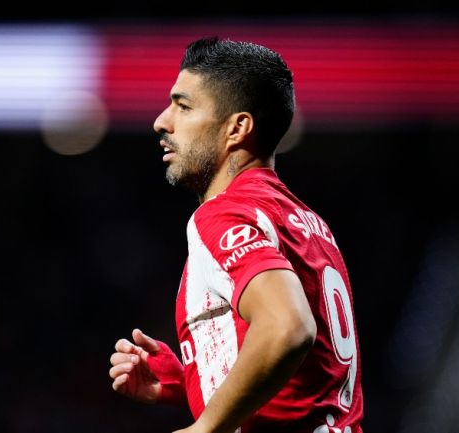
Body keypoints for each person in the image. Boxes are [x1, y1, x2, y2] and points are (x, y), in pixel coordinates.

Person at [108, 36, 364, 433]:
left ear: (237, 128)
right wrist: (190, 380)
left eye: (183, 106)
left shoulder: (223, 214)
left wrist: (205, 427)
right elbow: (309, 375)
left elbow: (289, 327)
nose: (162, 121)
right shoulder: (306, 221)